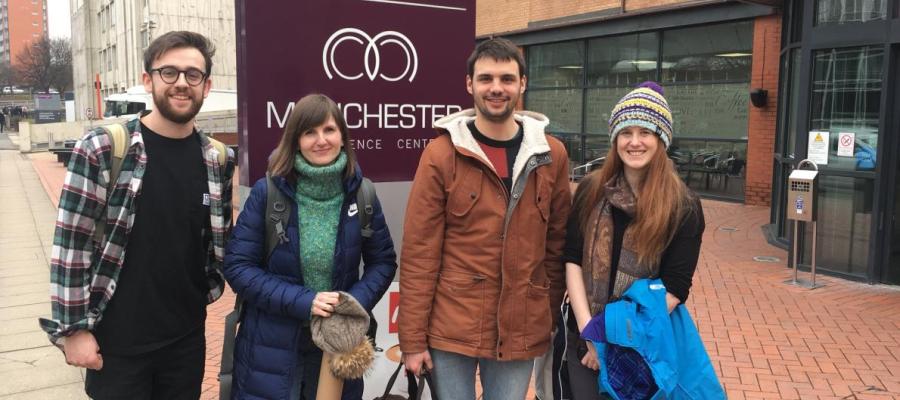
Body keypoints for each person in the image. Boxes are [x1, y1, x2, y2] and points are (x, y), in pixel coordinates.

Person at [38, 31, 234, 399]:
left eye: (193, 75)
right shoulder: (104, 147)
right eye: (169, 72)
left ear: (206, 86)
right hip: (117, 344)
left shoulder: (218, 159)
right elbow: (71, 244)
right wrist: (73, 331)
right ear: (148, 80)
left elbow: (216, 244)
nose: (181, 83)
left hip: (186, 340)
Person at [398, 37, 572, 400]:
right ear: (469, 84)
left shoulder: (551, 155)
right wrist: (413, 340)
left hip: (521, 325)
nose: (497, 88)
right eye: (486, 78)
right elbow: (419, 254)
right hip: (451, 327)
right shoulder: (441, 154)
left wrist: (546, 314)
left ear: (522, 84)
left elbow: (556, 247)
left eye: (507, 79)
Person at [223, 93, 397, 400]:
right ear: (296, 140)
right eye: (310, 132)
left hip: (337, 343)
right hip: (270, 347)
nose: (321, 140)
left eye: (329, 130)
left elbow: (382, 262)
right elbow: (238, 267)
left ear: (343, 136)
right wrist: (305, 301)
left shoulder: (363, 194)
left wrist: (350, 303)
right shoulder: (268, 192)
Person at [563, 81, 705, 399]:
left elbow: (675, 288)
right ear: (615, 139)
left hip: (641, 347)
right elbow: (572, 259)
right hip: (583, 337)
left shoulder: (683, 206)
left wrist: (609, 336)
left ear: (661, 139)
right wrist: (589, 332)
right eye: (626, 132)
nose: (635, 142)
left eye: (646, 132)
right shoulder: (590, 190)